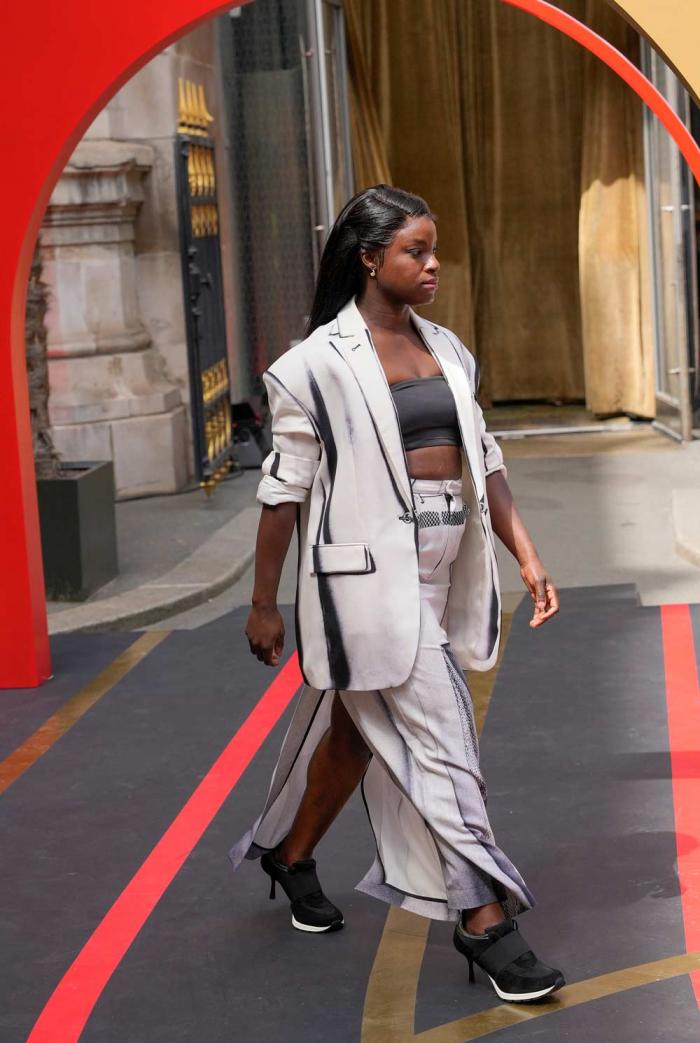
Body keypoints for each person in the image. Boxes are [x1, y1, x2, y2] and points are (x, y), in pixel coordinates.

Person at [229, 185, 565, 1004]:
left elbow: (482, 455)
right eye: (415, 250)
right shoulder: (315, 363)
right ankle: (484, 917)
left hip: (446, 563)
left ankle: (292, 852)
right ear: (370, 257)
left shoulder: (447, 347)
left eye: (435, 248)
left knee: (355, 729)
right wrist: (264, 601)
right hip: (368, 579)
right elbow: (285, 491)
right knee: (446, 734)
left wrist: (526, 553)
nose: (433, 263)